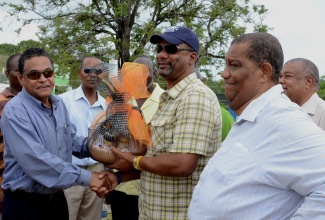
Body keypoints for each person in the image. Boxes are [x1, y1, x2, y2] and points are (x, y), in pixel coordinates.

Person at [188, 32, 325, 219]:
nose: (224, 73)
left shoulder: (283, 121)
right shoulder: (253, 117)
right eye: (226, 64)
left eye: (234, 65)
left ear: (264, 72)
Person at [103, 26, 222, 219]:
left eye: (171, 49)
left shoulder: (195, 97)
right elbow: (156, 159)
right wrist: (119, 177)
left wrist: (132, 160)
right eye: (159, 49)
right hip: (152, 212)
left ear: (192, 57)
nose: (162, 55)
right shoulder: (170, 99)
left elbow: (181, 165)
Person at [0, 48, 109, 220]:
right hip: (26, 205)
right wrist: (88, 177)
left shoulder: (58, 103)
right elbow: (36, 160)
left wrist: (103, 146)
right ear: (21, 78)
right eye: (34, 74)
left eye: (47, 73)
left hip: (57, 200)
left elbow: (71, 141)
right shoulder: (15, 111)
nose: (43, 79)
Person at [108, 56, 165, 219]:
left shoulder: (165, 100)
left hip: (148, 188)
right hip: (120, 185)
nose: (138, 76)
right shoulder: (120, 100)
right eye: (134, 71)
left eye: (144, 71)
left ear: (154, 73)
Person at [59, 56, 107, 220]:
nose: (92, 75)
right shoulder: (63, 101)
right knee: (67, 215)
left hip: (98, 170)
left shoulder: (108, 105)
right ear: (80, 73)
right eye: (88, 70)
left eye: (98, 71)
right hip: (70, 170)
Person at [0, 53, 22, 219]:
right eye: (17, 70)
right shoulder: (1, 103)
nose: (22, 74)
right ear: (7, 74)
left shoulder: (39, 103)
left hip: (29, 187)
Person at [279, 58, 325, 130]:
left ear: (308, 82)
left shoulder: (322, 113)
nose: (280, 81)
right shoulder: (282, 111)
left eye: (287, 76)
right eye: (280, 76)